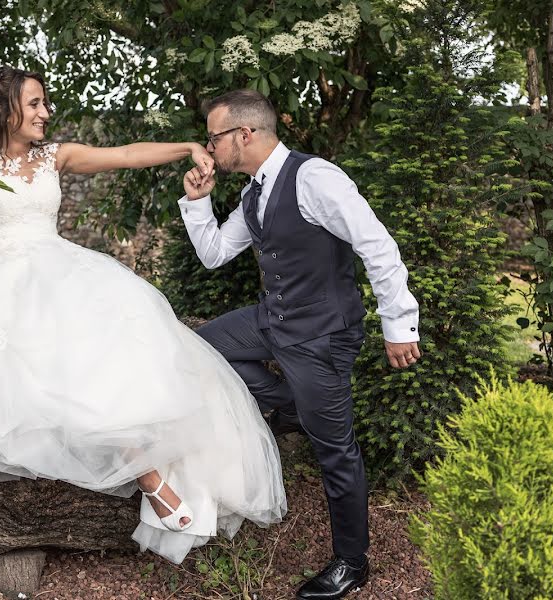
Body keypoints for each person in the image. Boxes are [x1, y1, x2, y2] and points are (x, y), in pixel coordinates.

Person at [0, 67, 286, 564]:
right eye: (34, 104)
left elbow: (124, 156)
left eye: (44, 104)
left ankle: (151, 470)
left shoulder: (55, 156)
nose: (44, 113)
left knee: (113, 353)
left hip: (61, 270)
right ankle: (150, 480)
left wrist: (186, 147)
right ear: (4, 108)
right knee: (51, 367)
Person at [178, 89, 421, 599]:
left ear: (244, 135)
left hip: (321, 335)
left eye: (214, 137)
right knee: (199, 349)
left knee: (336, 452)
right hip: (275, 320)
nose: (209, 148)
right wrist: (197, 203)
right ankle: (290, 407)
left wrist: (399, 326)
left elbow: (377, 246)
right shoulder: (253, 193)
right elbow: (216, 253)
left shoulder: (315, 179)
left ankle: (352, 563)